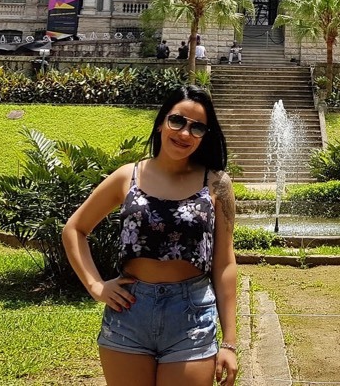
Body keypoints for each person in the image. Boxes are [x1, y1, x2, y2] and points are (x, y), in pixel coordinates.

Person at [62, 85, 238, 386]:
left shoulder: (217, 184)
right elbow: (75, 229)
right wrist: (95, 285)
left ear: (204, 135)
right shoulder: (127, 176)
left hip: (191, 314)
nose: (184, 133)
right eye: (177, 121)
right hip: (129, 313)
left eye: (197, 128)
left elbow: (224, 264)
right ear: (161, 123)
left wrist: (230, 342)